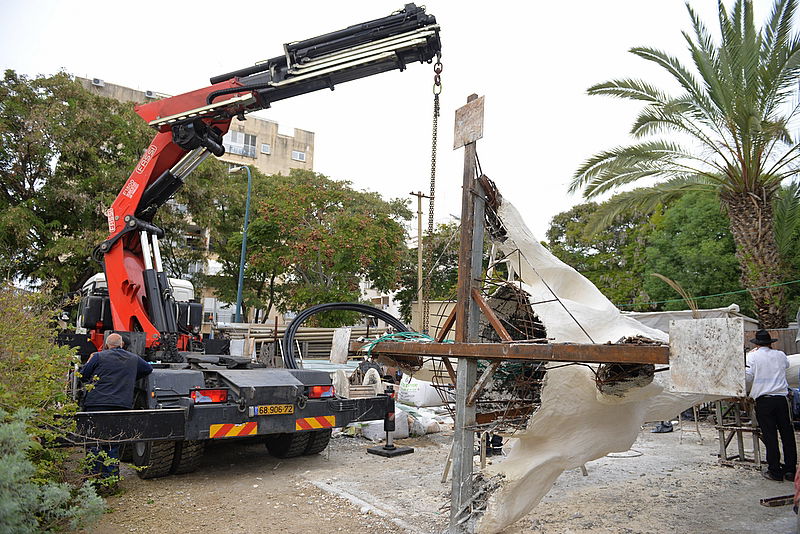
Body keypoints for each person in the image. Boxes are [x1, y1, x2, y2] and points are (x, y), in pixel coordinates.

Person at [80, 333, 153, 481]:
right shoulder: (133, 358)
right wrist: (129, 377)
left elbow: (83, 375)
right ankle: (111, 479)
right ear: (121, 345)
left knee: (94, 441)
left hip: (96, 405)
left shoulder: (98, 357)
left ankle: (92, 478)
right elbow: (147, 369)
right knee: (113, 442)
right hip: (120, 406)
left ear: (107, 345)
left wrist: (88, 363)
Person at [745, 329, 796, 482]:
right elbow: (786, 365)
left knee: (770, 436)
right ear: (770, 343)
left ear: (757, 344)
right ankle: (790, 470)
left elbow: (748, 377)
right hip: (781, 399)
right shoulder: (780, 355)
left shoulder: (752, 356)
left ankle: (775, 470)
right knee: (787, 435)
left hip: (764, 400)